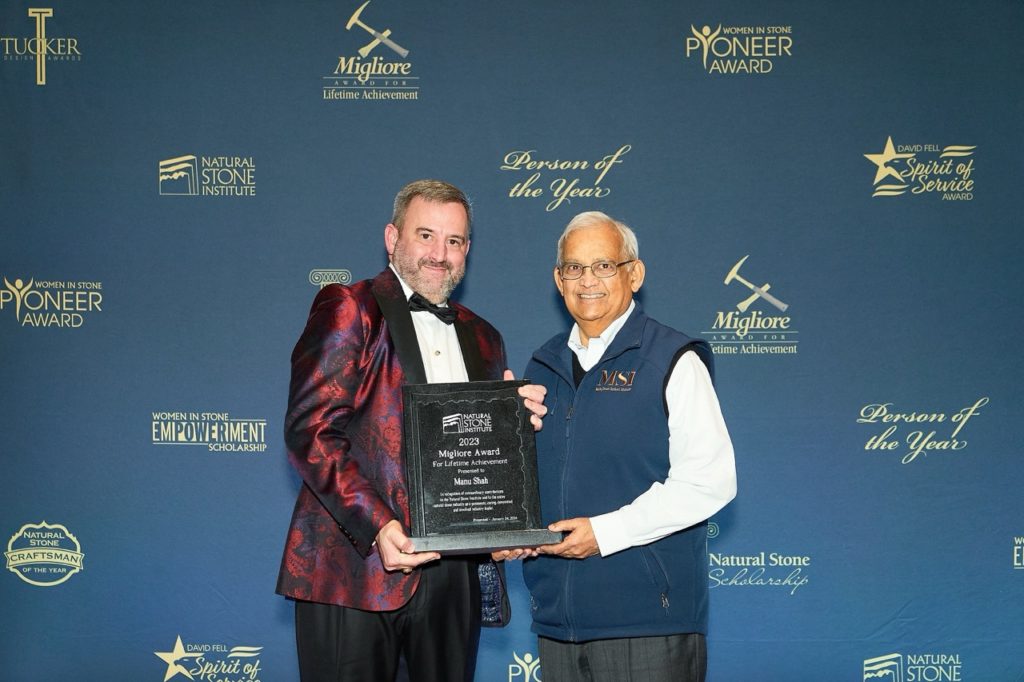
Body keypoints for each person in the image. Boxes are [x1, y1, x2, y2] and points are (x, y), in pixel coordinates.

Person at [276, 179, 546, 682]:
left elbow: (478, 454)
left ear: (467, 249)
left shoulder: (485, 337)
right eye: (426, 235)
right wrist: (380, 525)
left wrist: (514, 433)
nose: (439, 254)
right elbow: (311, 431)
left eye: (454, 240)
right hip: (354, 571)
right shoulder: (350, 307)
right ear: (392, 238)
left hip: (452, 580)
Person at [514, 210, 737, 681]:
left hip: (648, 624)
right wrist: (505, 532)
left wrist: (606, 533)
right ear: (558, 279)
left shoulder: (672, 359)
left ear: (634, 274)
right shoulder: (540, 367)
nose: (587, 280)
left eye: (603, 265)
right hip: (557, 623)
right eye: (574, 267)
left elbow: (710, 482)